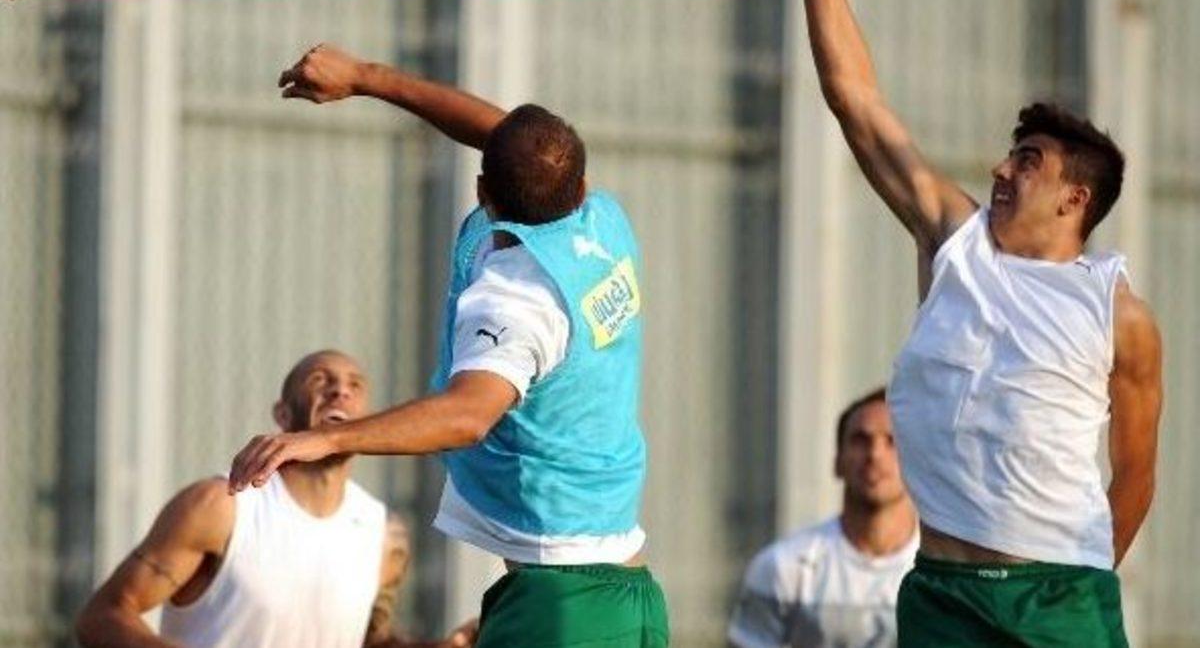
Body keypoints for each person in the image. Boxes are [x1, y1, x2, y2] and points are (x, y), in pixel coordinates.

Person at [225, 44, 669, 648]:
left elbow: (467, 415)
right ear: (580, 182)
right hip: (629, 595)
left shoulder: (518, 300)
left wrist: (325, 438)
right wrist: (364, 77)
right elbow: (515, 142)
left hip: (564, 607)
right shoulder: (600, 219)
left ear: (483, 190)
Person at [798, 0, 1164, 645]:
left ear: (1074, 198)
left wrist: (1077, 578)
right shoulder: (956, 243)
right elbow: (853, 99)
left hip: (1058, 599)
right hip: (944, 595)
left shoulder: (1119, 314)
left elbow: (1137, 472)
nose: (999, 169)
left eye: (1027, 161)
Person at [75, 349, 477, 648]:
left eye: (355, 385)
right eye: (319, 380)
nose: (340, 390)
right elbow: (101, 617)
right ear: (283, 415)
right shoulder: (221, 506)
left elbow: (370, 642)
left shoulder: (384, 533)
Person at [728, 388, 918, 648]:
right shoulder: (782, 568)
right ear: (837, 461)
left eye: (892, 442)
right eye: (860, 440)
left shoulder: (943, 576)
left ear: (919, 463)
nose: (875, 454)